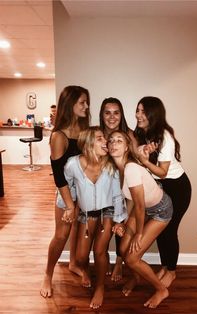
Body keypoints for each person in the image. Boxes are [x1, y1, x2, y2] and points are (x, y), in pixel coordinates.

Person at [63, 126, 127, 309]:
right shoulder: (72, 164)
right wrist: (69, 206)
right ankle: (83, 271)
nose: (105, 142)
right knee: (82, 257)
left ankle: (100, 287)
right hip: (84, 215)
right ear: (89, 142)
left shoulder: (110, 166)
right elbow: (67, 186)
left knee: (100, 252)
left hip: (105, 213)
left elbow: (116, 196)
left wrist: (119, 220)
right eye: (100, 138)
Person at [108, 130, 173, 309]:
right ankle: (136, 277)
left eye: (119, 140)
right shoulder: (118, 170)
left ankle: (161, 290)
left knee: (131, 258)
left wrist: (138, 233)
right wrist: (122, 222)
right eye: (111, 140)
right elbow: (130, 200)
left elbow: (139, 205)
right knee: (122, 248)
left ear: (127, 146)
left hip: (160, 210)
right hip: (143, 209)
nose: (113, 143)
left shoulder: (130, 169)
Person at [134, 96, 192, 288]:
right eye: (138, 110)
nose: (138, 115)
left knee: (169, 230)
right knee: (160, 231)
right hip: (162, 187)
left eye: (143, 111)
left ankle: (172, 272)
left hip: (177, 187)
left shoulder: (164, 136)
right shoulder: (144, 134)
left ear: (153, 113)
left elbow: (163, 172)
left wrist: (145, 161)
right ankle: (165, 266)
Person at [40, 85, 90, 298]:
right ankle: (47, 275)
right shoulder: (59, 136)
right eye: (82, 102)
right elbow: (59, 176)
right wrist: (70, 204)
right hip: (66, 193)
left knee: (77, 231)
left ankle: (73, 264)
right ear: (70, 104)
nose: (87, 106)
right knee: (61, 235)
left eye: (87, 102)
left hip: (84, 191)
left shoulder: (83, 131)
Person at [99, 97, 137, 281]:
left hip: (125, 190)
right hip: (103, 190)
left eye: (116, 112)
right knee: (103, 227)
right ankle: (102, 257)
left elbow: (136, 164)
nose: (112, 117)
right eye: (107, 112)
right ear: (102, 115)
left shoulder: (129, 135)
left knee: (121, 224)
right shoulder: (98, 136)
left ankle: (119, 262)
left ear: (121, 114)